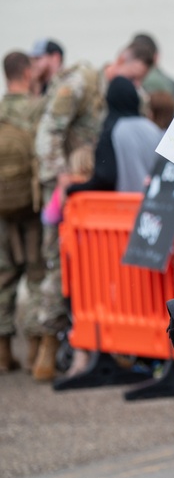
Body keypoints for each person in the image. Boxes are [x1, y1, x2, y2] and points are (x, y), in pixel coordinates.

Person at [30, 39, 105, 381]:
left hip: (66, 185)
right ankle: (46, 344)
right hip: (63, 189)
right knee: (57, 264)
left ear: (54, 57)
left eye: (39, 57)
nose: (33, 63)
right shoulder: (75, 84)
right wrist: (61, 182)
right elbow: (48, 135)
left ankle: (45, 345)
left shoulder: (75, 82)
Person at [0, 51, 45, 373]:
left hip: (2, 208)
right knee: (36, 276)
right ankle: (34, 353)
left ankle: (3, 353)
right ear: (27, 73)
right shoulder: (36, 110)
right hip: (32, 207)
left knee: (3, 276)